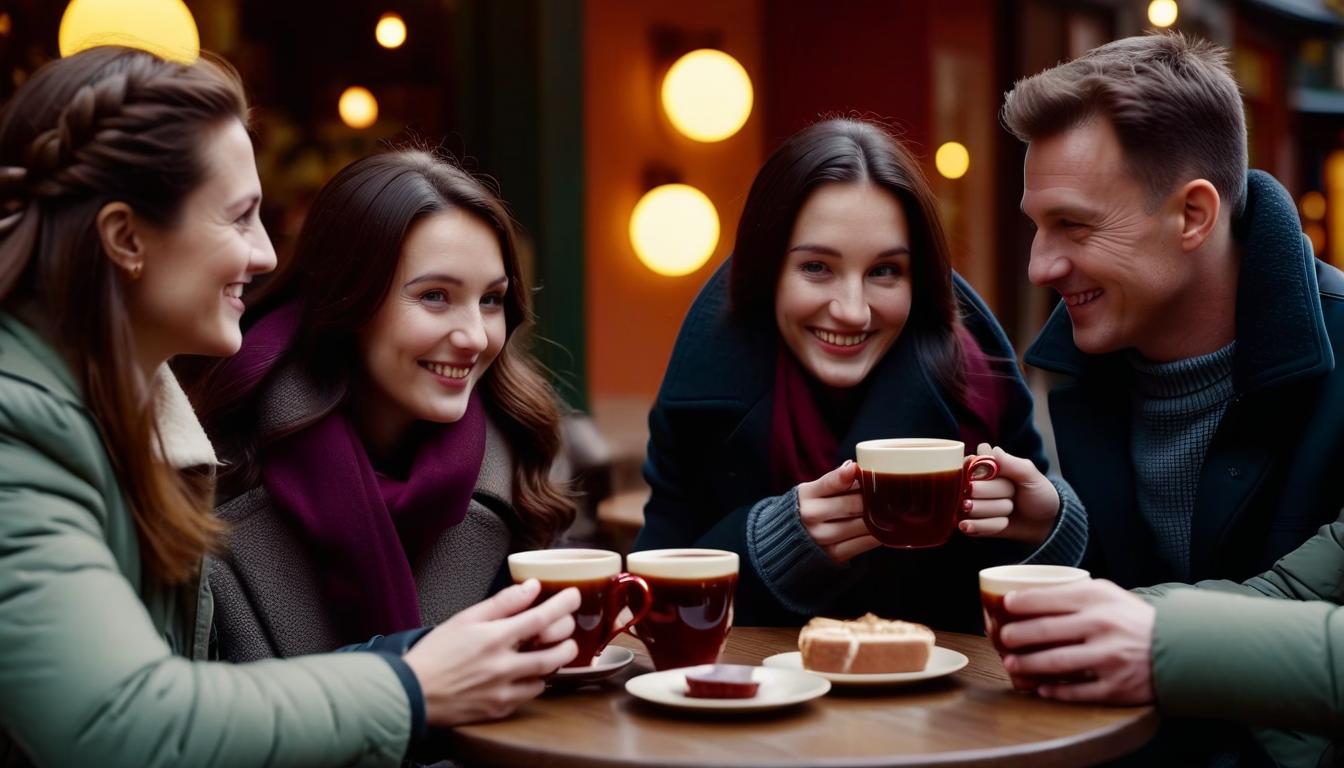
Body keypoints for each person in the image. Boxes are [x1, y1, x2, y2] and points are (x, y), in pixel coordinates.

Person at [0, 46, 578, 768]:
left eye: (492, 300)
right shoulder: (22, 428)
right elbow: (123, 724)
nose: (268, 254)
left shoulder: (119, 418)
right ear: (124, 238)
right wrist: (411, 684)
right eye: (241, 218)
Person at [997, 31, 1344, 767]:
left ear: (1193, 215)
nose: (1039, 266)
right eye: (1036, 225)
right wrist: (1056, 528)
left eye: (1074, 225)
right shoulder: (1072, 371)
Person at [633, 117, 1087, 629]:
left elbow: (1069, 603)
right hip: (757, 700)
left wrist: (1052, 525)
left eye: (884, 272)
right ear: (768, 271)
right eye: (816, 268)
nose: (853, 311)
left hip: (950, 703)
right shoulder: (705, 384)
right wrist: (773, 544)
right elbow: (649, 605)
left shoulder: (981, 376)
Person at [187, 150, 575, 660]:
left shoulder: (518, 458)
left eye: (492, 299)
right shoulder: (216, 473)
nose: (475, 337)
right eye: (435, 296)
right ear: (348, 300)